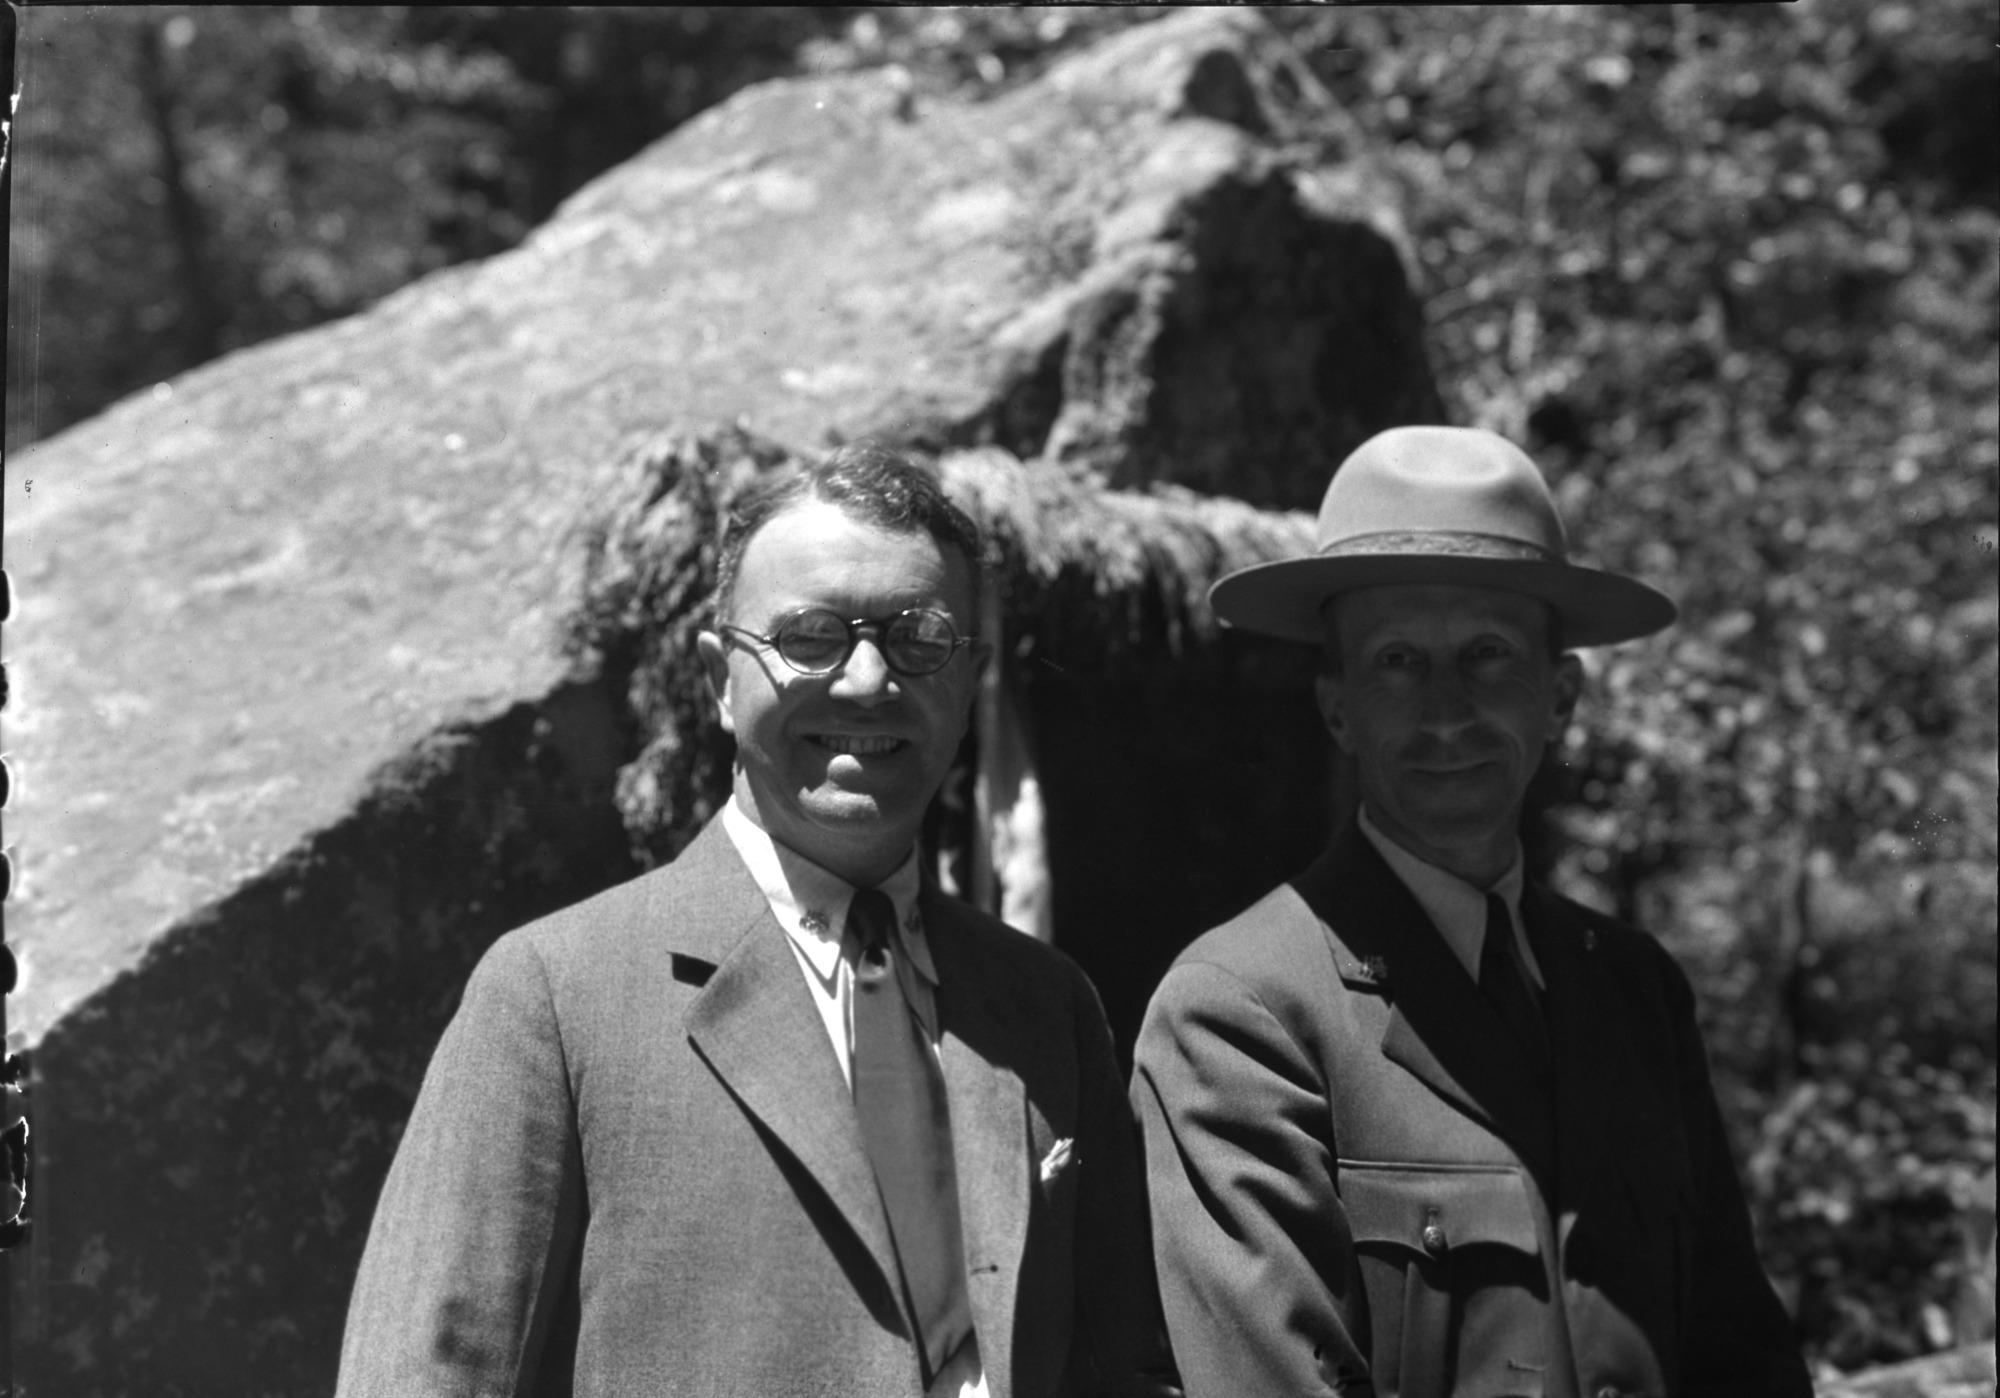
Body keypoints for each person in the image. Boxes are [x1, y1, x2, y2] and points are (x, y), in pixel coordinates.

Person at [339, 445, 1178, 1397]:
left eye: (920, 640)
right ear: (718, 681)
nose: (868, 680)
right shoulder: (557, 995)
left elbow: (1128, 1369)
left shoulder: (1045, 1007)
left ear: (967, 681)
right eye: (811, 637)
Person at [1131, 427, 1811, 1398]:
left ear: (1559, 696)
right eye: (1397, 661)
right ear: (1336, 709)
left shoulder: (1632, 989)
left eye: (1487, 655)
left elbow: (1739, 1351)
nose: (1445, 711)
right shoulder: (1242, 1012)